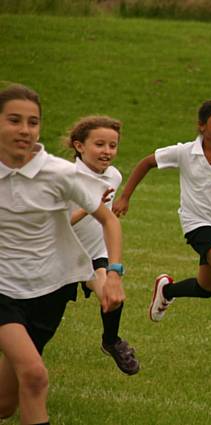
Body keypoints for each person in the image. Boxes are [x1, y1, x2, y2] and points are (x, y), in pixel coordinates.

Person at [0, 84, 124, 424]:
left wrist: (114, 273)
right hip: (3, 290)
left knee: (5, 404)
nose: (25, 130)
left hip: (49, 290)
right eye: (14, 120)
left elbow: (109, 220)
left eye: (33, 122)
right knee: (36, 376)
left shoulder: (58, 173)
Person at [113, 99, 211, 366]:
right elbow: (147, 162)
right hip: (196, 224)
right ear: (202, 126)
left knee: (205, 288)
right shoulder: (184, 152)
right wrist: (125, 197)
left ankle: (167, 291)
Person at [63, 116, 139, 375]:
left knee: (113, 297)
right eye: (99, 144)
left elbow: (106, 220)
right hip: (60, 256)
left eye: (112, 145)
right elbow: (57, 225)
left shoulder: (114, 176)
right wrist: (89, 207)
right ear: (79, 146)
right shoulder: (66, 178)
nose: (107, 151)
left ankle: (111, 341)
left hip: (95, 253)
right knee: (41, 322)